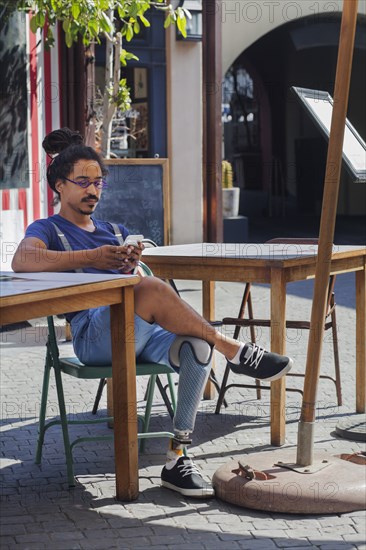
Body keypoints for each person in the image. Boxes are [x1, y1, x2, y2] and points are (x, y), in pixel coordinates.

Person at [12, 128, 293, 498]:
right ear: (59, 185)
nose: (93, 190)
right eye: (83, 181)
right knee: (149, 288)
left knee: (196, 344)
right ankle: (236, 351)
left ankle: (178, 456)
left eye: (98, 182)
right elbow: (23, 260)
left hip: (139, 331)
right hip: (95, 338)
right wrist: (93, 257)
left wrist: (133, 264)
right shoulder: (47, 228)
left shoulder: (115, 230)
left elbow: (141, 282)